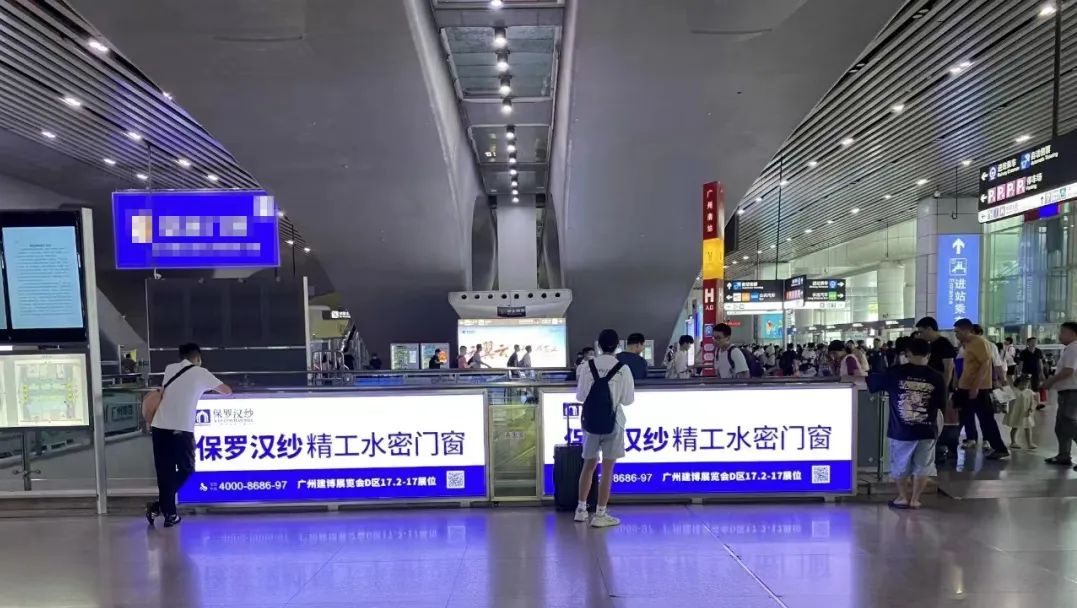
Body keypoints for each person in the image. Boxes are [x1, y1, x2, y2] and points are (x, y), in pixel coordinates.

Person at [147, 343, 232, 527]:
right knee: (186, 469)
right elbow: (226, 391)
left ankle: (168, 512)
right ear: (198, 358)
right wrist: (205, 387)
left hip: (159, 426)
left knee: (165, 472)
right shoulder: (201, 373)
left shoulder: (170, 369)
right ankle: (161, 508)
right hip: (180, 428)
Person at [866, 337, 945, 510]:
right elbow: (941, 405)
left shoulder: (895, 372)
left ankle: (902, 497)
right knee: (923, 466)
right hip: (927, 430)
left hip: (901, 430)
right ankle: (915, 499)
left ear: (907, 354)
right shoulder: (937, 377)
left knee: (900, 465)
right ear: (928, 355)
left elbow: (871, 381)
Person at [574, 329, 635, 528]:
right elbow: (628, 400)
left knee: (588, 465)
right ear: (617, 345)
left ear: (598, 345)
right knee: (607, 469)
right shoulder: (623, 369)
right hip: (613, 422)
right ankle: (600, 514)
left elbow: (581, 396)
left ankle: (581, 509)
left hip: (591, 422)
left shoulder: (587, 366)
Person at [953, 318, 1009, 459]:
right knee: (964, 416)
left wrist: (976, 387)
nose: (956, 335)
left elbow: (985, 365)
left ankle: (999, 447)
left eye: (957, 332)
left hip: (977, 388)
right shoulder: (967, 344)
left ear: (967, 330)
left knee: (985, 419)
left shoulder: (979, 343)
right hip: (966, 386)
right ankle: (954, 444)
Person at [916, 316, 960, 458]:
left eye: (922, 331)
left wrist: (944, 389)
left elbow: (949, 369)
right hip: (930, 387)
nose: (920, 335)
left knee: (942, 418)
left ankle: (946, 447)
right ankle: (935, 447)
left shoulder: (944, 344)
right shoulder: (929, 344)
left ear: (930, 329)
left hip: (940, 388)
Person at [1043, 321, 1077, 469]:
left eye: (1063, 332)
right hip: (1066, 391)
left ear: (1073, 333)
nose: (1059, 335)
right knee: (1061, 426)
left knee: (1069, 424)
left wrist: (1050, 381)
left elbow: (1069, 371)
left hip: (1071, 391)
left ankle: (1064, 455)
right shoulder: (1070, 348)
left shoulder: (1073, 348)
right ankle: (1063, 455)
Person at [1003, 375, 1037, 450]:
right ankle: (1013, 442)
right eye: (1024, 383)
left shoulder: (1029, 392)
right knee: (1015, 427)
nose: (1026, 385)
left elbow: (1032, 402)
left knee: (1028, 427)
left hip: (1025, 413)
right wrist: (1004, 407)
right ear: (1019, 383)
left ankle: (1030, 443)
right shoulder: (1013, 391)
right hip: (1016, 412)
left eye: (1027, 383)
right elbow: (1006, 399)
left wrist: (1031, 409)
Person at [1018, 337, 1047, 409]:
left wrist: (1041, 372)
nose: (1034, 343)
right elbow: (1021, 363)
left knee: (1035, 387)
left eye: (1035, 342)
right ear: (1028, 343)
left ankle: (1038, 404)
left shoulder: (1038, 351)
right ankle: (1026, 404)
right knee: (1025, 388)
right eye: (1032, 342)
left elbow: (1040, 362)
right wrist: (1019, 373)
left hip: (1036, 372)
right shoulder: (1023, 352)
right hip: (1026, 372)